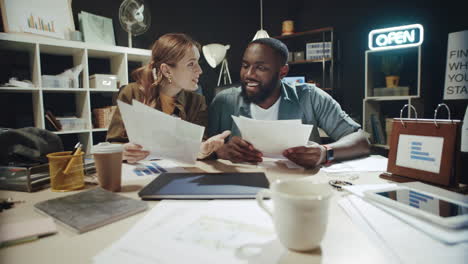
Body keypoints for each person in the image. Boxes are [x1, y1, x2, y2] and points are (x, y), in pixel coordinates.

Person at [208, 37, 370, 168]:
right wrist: (221, 151)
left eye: (261, 68)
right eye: (245, 65)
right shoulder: (224, 101)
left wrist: (324, 152)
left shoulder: (310, 96)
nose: (248, 74)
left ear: (282, 72)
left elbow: (361, 140)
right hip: (241, 185)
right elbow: (201, 148)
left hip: (299, 186)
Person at [107, 33, 230, 163]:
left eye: (198, 63)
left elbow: (200, 145)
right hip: (140, 174)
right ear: (166, 70)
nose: (199, 70)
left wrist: (203, 150)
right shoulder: (132, 93)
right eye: (191, 64)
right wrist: (123, 152)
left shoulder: (197, 102)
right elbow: (113, 144)